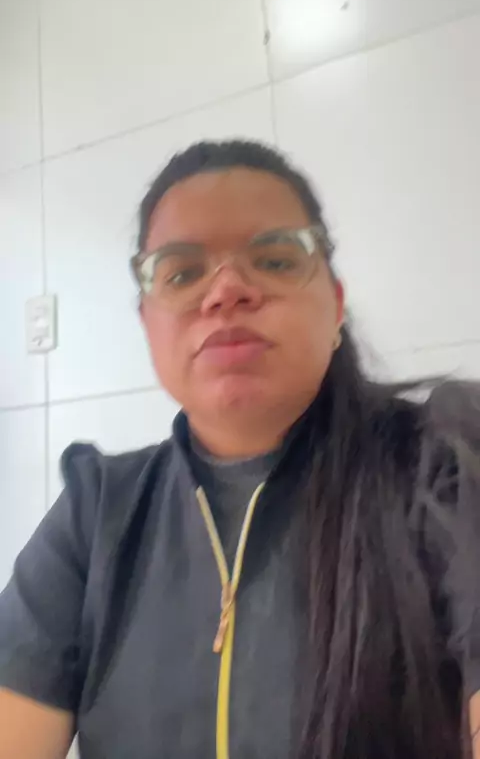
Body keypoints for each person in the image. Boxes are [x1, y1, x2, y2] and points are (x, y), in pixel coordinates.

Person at [0, 139, 479, 759]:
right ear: (148, 325)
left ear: (335, 305)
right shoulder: (95, 515)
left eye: (275, 259)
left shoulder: (446, 465)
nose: (226, 289)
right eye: (181, 272)